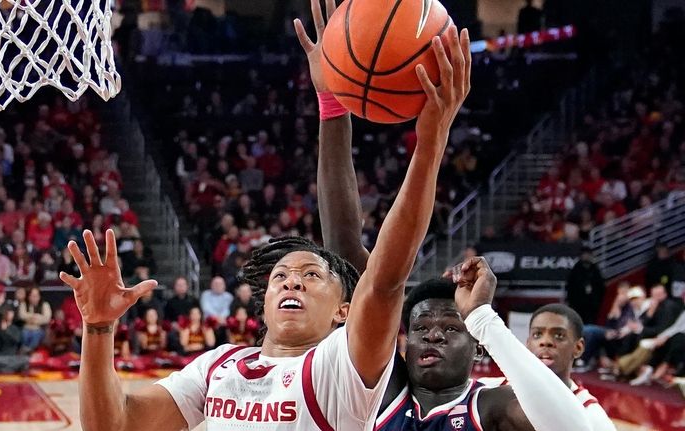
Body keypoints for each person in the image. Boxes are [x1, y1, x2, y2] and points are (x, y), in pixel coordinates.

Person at [58, 0, 468, 425]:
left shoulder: (340, 367)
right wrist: (99, 329)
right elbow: (114, 424)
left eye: (312, 275)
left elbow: (383, 277)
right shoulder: (220, 366)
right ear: (264, 301)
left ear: (343, 310)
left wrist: (430, 142)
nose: (293, 280)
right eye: (281, 277)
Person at [302, 2, 594, 430]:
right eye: (421, 328)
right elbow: (344, 249)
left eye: (451, 329)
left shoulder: (492, 407)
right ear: (403, 342)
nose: (433, 334)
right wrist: (332, 102)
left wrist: (482, 318)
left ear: (476, 349)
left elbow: (574, 427)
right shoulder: (380, 391)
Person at [483, 304, 615, 430]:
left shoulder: (593, 417)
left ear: (578, 347)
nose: (545, 341)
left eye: (559, 335)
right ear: (528, 344)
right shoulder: (487, 389)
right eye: (537, 335)